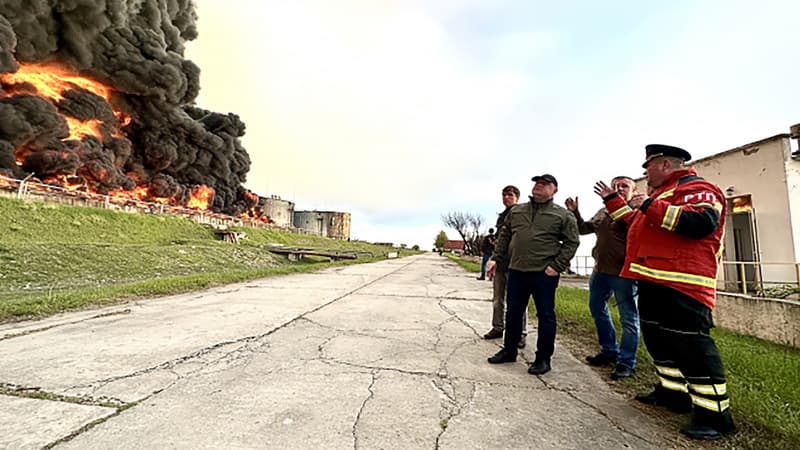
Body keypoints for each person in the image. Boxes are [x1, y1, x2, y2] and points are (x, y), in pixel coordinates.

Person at [599, 144, 735, 439]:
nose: (645, 173)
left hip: (683, 283)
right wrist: (613, 201)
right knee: (659, 341)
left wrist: (648, 205)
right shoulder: (660, 196)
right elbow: (636, 222)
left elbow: (700, 223)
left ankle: (715, 416)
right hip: (654, 280)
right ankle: (672, 394)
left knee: (691, 347)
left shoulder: (699, 187)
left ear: (664, 165)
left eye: (648, 167)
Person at [487, 174, 580, 375]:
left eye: (545, 184)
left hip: (544, 274)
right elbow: (504, 236)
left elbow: (572, 242)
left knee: (545, 315)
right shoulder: (517, 211)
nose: (539, 186)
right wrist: (495, 258)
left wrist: (557, 266)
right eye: (537, 183)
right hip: (517, 270)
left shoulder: (563, 215)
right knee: (512, 312)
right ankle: (509, 350)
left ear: (554, 190)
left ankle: (543, 359)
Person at [565, 176, 640, 380]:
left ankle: (626, 363)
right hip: (600, 271)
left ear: (634, 190)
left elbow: (636, 231)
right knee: (597, 309)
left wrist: (617, 202)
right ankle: (609, 351)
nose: (619, 188)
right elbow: (584, 229)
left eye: (624, 186)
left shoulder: (636, 211)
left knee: (629, 319)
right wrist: (575, 213)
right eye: (616, 185)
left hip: (624, 273)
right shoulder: (603, 211)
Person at [482, 185, 529, 349]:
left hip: (516, 263)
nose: (506, 198)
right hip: (501, 262)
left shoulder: (522, 213)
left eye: (509, 195)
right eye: (504, 195)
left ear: (517, 197)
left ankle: (521, 333)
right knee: (498, 298)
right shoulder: (502, 216)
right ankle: (498, 327)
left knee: (518, 301)